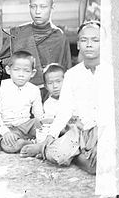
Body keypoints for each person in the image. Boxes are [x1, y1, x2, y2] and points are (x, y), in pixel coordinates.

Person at [21, 21, 105, 175]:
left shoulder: (113, 72)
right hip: (80, 130)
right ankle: (73, 155)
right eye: (84, 40)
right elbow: (64, 110)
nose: (89, 45)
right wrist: (51, 135)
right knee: (59, 153)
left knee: (108, 161)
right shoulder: (72, 75)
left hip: (106, 130)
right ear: (78, 44)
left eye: (95, 40)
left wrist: (102, 141)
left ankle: (77, 154)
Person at [0, 0, 72, 102]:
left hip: (49, 94)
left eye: (43, 7)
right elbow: (1, 65)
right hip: (19, 91)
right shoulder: (18, 33)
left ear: (52, 8)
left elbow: (65, 70)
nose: (37, 11)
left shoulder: (58, 36)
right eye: (33, 7)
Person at [0, 51, 44, 153]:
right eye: (16, 70)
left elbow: (38, 115)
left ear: (33, 73)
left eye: (26, 71)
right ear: (8, 70)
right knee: (9, 146)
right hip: (8, 128)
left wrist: (42, 128)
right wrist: (5, 132)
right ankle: (31, 143)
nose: (21, 75)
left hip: (27, 125)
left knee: (43, 126)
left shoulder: (34, 89)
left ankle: (35, 142)